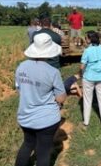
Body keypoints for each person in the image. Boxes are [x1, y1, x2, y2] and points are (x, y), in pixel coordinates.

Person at [15, 33, 66, 166]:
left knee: (27, 144)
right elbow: (60, 98)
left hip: (25, 117)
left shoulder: (21, 67)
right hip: (47, 120)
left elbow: (19, 90)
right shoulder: (53, 72)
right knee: (43, 152)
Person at [80, 31, 101, 128]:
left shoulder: (87, 50)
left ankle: (86, 123)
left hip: (89, 77)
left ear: (89, 39)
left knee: (87, 100)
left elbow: (82, 66)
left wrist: (82, 73)